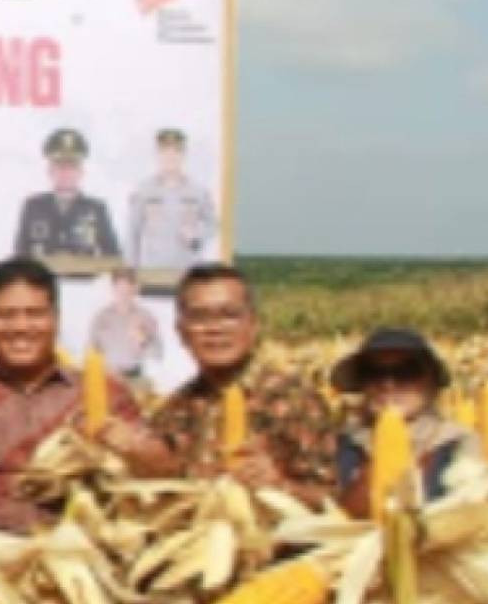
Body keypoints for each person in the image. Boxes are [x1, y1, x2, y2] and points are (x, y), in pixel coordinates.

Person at [0, 257, 139, 536]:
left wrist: (135, 448)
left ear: (56, 319)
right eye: (6, 315)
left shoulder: (105, 392)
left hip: (76, 566)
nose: (21, 327)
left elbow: (161, 474)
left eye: (34, 314)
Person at [104, 263, 335, 509]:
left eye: (229, 315)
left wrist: (280, 485)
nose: (215, 329)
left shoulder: (294, 400)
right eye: (200, 317)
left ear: (253, 325)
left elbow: (333, 501)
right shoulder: (174, 411)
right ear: (181, 332)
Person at [331, 328, 483, 514]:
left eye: (406, 372)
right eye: (374, 373)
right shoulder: (343, 442)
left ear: (432, 383)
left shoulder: (460, 442)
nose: (388, 384)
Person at [13, 129, 121, 270]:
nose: (66, 173)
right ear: (50, 171)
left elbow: (113, 257)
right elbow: (20, 254)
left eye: (72, 167)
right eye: (60, 167)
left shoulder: (97, 209)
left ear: (81, 172)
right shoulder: (33, 206)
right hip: (43, 284)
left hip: (85, 286)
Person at [125, 129, 217, 280]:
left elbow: (213, 224)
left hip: (187, 270)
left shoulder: (198, 191)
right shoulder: (143, 190)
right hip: (152, 271)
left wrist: (197, 233)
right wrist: (130, 273)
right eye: (165, 153)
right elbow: (132, 233)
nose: (170, 158)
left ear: (183, 156)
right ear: (158, 155)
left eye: (175, 152)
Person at [88, 269, 165, 383]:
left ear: (135, 289)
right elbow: (91, 351)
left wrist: (143, 340)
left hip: (134, 380)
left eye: (127, 289)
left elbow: (158, 353)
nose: (123, 294)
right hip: (108, 380)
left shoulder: (145, 317)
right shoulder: (101, 317)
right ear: (113, 289)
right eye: (120, 289)